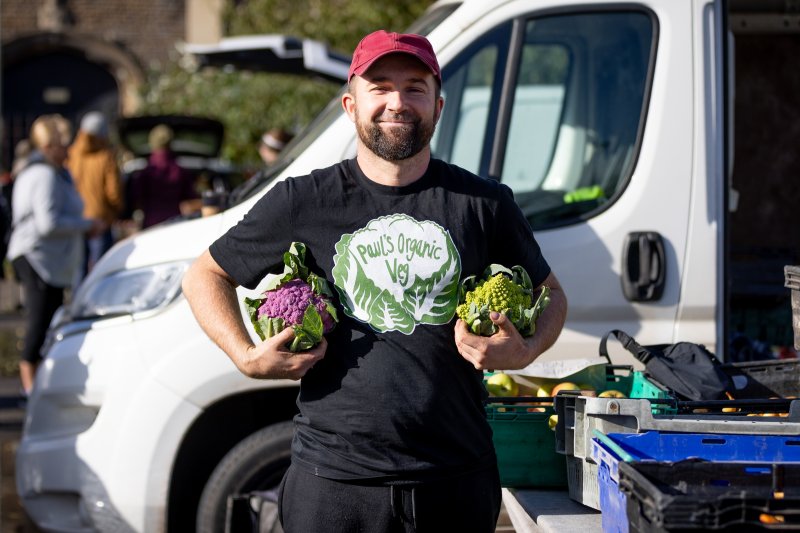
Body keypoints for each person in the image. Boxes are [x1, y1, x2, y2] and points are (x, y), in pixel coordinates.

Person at [182, 30, 567, 533]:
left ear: (438, 104)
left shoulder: (485, 204)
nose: (397, 102)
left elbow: (551, 294)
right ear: (350, 103)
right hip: (334, 488)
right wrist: (246, 356)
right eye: (380, 86)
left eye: (414, 87)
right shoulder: (305, 199)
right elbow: (204, 275)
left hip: (454, 481)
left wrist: (526, 349)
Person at [6, 114, 104, 394]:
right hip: (38, 257)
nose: (68, 149)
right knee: (39, 322)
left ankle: (40, 385)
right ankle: (30, 390)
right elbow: (47, 223)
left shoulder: (53, 172)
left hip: (48, 259)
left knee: (48, 321)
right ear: (48, 146)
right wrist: (87, 226)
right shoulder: (43, 175)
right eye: (63, 144)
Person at [66, 111, 124, 276]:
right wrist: (114, 213)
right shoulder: (106, 157)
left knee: (78, 272)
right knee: (100, 274)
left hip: (76, 220)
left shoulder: (71, 155)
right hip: (101, 221)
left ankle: (77, 301)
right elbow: (114, 193)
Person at [130, 124, 198, 229]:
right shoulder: (180, 171)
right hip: (174, 222)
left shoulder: (146, 172)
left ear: (152, 142)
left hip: (151, 224)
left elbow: (136, 198)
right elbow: (191, 197)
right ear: (170, 143)